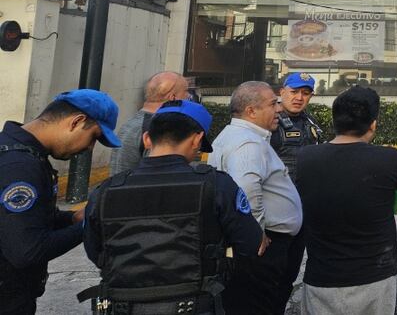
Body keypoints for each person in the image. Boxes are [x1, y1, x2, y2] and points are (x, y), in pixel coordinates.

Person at [81, 100, 266, 315]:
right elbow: (251, 244)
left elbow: (94, 250)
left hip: (122, 305)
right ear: (197, 139)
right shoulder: (216, 185)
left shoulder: (106, 190)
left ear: (147, 138)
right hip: (194, 304)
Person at [0, 89, 121, 315]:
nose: (89, 148)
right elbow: (27, 251)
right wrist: (89, 224)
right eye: (94, 137)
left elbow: (24, 220)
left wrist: (72, 217)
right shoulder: (19, 166)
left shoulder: (23, 153)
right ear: (76, 122)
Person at [295, 86, 397, 315]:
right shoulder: (390, 158)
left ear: (334, 121)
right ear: (373, 123)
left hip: (322, 277)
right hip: (375, 277)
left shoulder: (306, 157)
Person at [210, 81, 303, 315]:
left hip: (262, 243)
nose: (279, 109)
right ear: (251, 111)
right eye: (273, 104)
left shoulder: (241, 135)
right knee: (258, 304)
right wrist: (256, 232)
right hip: (263, 247)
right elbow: (246, 188)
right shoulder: (247, 143)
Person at [269, 72, 326, 300]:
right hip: (277, 213)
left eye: (305, 93)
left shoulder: (309, 121)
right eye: (294, 92)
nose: (299, 98)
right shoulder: (271, 121)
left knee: (289, 273)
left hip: (302, 210)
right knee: (271, 275)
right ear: (282, 91)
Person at [109, 71, 190, 175]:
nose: (188, 96)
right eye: (186, 91)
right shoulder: (159, 127)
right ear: (172, 98)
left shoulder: (131, 123)